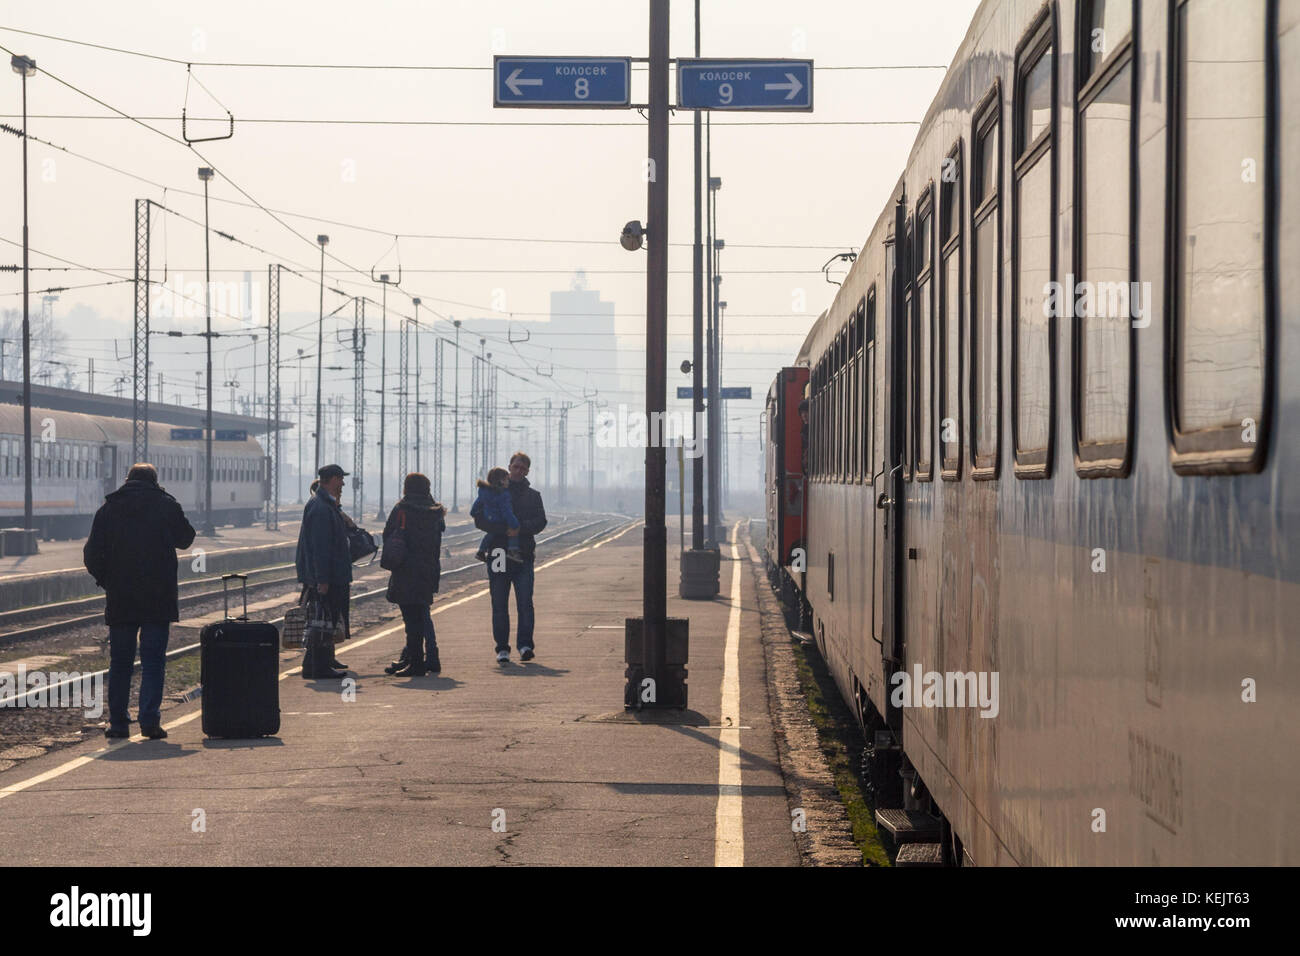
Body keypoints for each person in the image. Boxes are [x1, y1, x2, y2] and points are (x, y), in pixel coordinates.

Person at [83, 462, 196, 740]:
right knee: (153, 661)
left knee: (120, 663)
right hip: (158, 598)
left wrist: (107, 580)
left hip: (121, 598)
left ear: (127, 480)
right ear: (155, 481)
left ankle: (119, 723)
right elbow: (186, 539)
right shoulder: (166, 505)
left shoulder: (109, 508)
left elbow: (91, 553)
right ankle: (149, 722)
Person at [472, 451, 546, 663]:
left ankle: (525, 646)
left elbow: (541, 522)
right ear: (509, 467)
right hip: (497, 553)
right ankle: (502, 648)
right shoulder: (492, 492)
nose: (518, 471)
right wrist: (504, 529)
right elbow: (479, 519)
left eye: (523, 468)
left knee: (525, 603)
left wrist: (520, 529)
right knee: (499, 604)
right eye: (516, 467)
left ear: (527, 471)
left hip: (523, 554)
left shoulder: (533, 496)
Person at [382, 473, 446, 676]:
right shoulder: (435, 511)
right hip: (428, 571)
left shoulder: (402, 509)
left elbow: (388, 534)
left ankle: (416, 663)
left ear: (407, 488)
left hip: (406, 571)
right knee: (420, 615)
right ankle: (413, 658)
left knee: (411, 620)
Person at [295, 464, 352, 679]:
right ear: (330, 479)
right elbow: (320, 547)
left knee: (325, 619)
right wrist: (323, 579)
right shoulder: (320, 507)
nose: (343, 483)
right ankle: (318, 666)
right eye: (340, 479)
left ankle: (317, 663)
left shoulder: (325, 504)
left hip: (332, 574)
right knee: (323, 621)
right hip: (329, 575)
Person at [472, 466, 522, 563]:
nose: (509, 482)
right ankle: (513, 550)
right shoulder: (503, 495)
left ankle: (481, 551)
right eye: (507, 479)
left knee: (491, 534)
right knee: (512, 531)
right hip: (499, 519)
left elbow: (477, 504)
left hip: (489, 519)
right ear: (501, 481)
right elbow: (506, 511)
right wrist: (515, 524)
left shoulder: (484, 491)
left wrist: (473, 512)